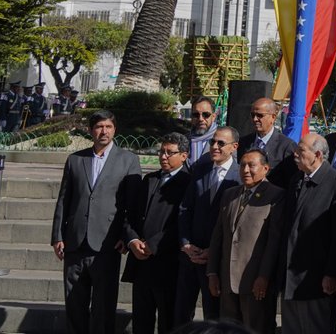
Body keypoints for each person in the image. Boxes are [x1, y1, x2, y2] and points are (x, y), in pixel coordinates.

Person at [50, 110, 142, 334]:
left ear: (115, 129)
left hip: (107, 243)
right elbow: (64, 199)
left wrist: (126, 236)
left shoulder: (128, 160)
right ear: (91, 131)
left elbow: (134, 204)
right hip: (75, 241)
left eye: (108, 127)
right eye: (99, 127)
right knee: (74, 302)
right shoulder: (75, 160)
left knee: (103, 304)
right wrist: (57, 236)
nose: (104, 131)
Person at [279, 132, 336, 334]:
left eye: (301, 150)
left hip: (316, 279)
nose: (295, 153)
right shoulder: (296, 179)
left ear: (317, 154)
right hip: (290, 277)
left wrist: (331, 273)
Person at [206, 148, 286, 331]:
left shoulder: (276, 196)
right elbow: (218, 235)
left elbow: (273, 242)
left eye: (252, 165)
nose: (246, 170)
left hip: (255, 282)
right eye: (242, 165)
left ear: (266, 168)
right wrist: (212, 273)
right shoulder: (230, 194)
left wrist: (264, 276)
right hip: (227, 281)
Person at [123, 132, 193, 334]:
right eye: (161, 151)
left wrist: (153, 245)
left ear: (184, 156)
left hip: (168, 263)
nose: (163, 156)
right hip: (141, 261)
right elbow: (132, 214)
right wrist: (132, 239)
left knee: (167, 320)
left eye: (169, 153)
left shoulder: (188, 183)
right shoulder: (150, 179)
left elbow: (181, 222)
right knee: (141, 319)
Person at [177, 126, 241, 324]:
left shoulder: (240, 177)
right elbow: (185, 209)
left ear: (234, 147)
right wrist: (186, 243)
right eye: (213, 142)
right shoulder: (200, 170)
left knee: (212, 317)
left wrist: (213, 250)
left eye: (221, 143)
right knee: (181, 314)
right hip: (191, 255)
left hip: (217, 261)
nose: (214, 146)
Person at [238, 97, 297, 188]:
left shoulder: (286, 146)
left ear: (273, 117)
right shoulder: (244, 142)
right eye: (252, 115)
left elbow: (291, 181)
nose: (255, 119)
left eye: (260, 115)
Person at [187, 97, 218, 164]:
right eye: (196, 115)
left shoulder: (224, 140)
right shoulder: (184, 139)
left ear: (213, 117)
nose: (200, 119)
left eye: (206, 115)